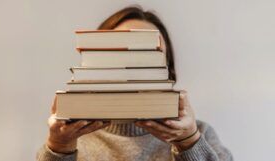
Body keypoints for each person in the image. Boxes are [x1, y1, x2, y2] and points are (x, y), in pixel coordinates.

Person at [37, 6, 233, 161]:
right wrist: (59, 149)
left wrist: (189, 143)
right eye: (121, 53)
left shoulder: (201, 135)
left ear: (168, 71)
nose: (134, 67)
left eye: (149, 55)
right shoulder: (71, 137)